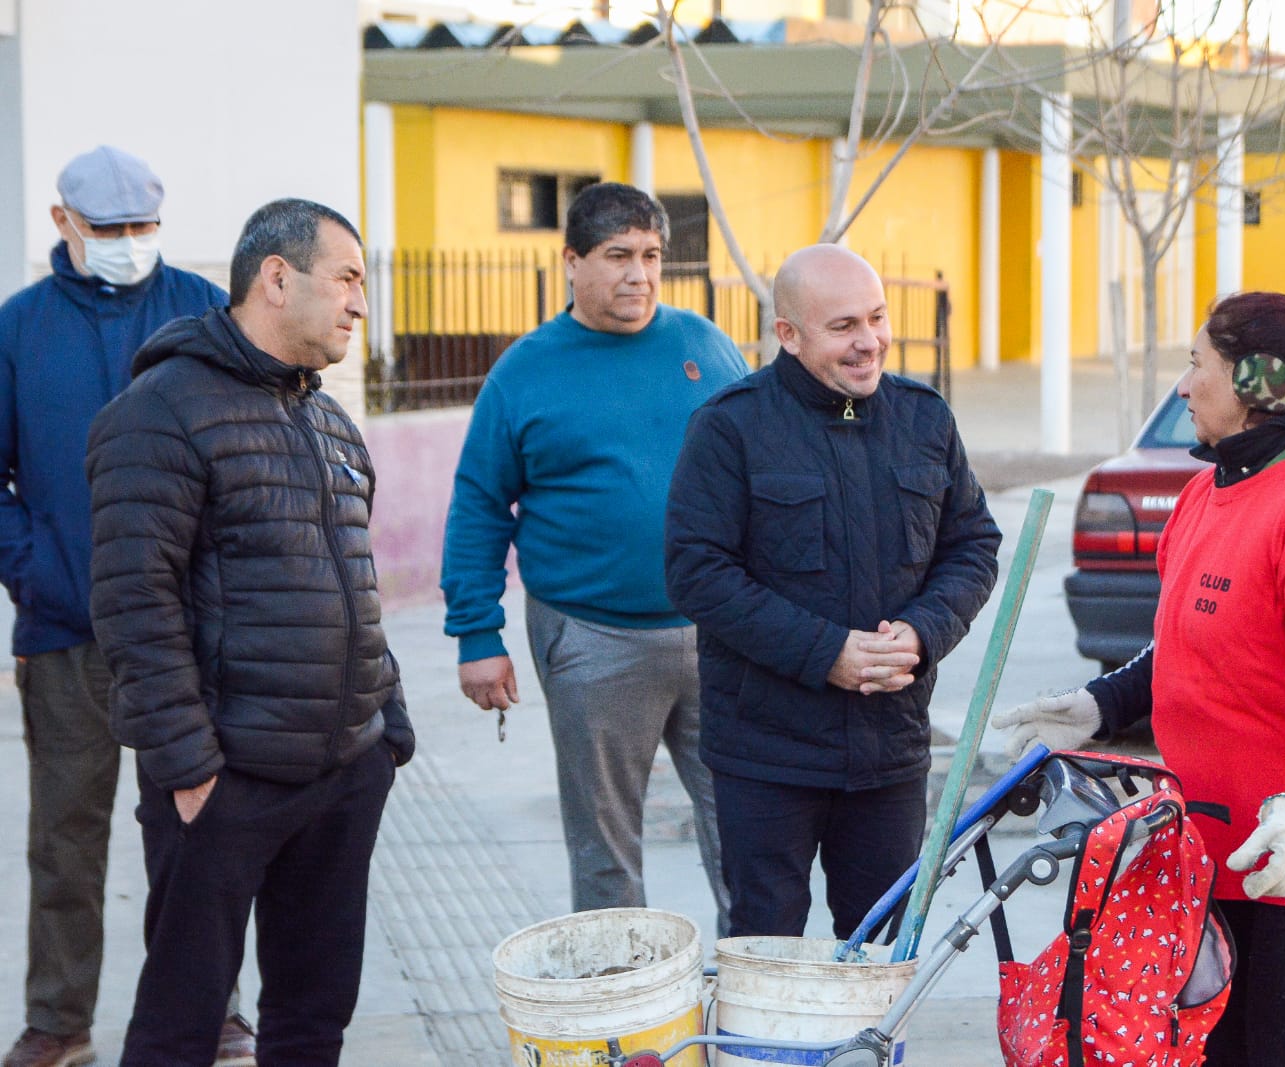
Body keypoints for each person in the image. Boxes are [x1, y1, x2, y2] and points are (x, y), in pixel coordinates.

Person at [994, 292, 1285, 1067]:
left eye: (1197, 364)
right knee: (1209, 1048)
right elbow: (1186, 644)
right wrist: (1096, 704)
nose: (1184, 386)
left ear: (1256, 381)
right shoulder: (1203, 494)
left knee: (1283, 1050)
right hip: (1210, 841)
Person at [84, 198, 414, 1067]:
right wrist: (190, 767)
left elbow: (354, 582)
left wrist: (387, 727)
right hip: (227, 780)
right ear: (277, 277)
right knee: (181, 1026)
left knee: (313, 1016)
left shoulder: (328, 420)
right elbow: (133, 601)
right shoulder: (160, 411)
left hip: (343, 773)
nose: (360, 303)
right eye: (346, 278)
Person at [0, 146, 259, 1067]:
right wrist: (35, 570)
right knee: (64, 839)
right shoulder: (18, 327)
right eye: (109, 229)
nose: (129, 242)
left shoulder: (203, 311)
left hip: (191, 633)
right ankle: (59, 1019)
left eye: (144, 226)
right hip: (67, 630)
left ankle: (212, 1009)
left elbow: (250, 440)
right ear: (63, 222)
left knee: (197, 832)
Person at [663, 243, 1002, 939]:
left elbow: (972, 544)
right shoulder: (730, 427)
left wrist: (924, 631)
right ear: (788, 334)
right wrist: (827, 653)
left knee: (880, 953)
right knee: (767, 952)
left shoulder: (925, 418)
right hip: (766, 755)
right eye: (843, 326)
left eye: (877, 318)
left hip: (890, 752)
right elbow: (698, 571)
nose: (869, 341)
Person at [442, 182, 744, 933]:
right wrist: (477, 635)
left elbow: (766, 471)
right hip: (592, 638)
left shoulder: (706, 346)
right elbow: (480, 504)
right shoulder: (525, 371)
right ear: (572, 261)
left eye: (651, 256)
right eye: (618, 256)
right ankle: (621, 995)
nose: (639, 275)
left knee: (748, 830)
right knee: (605, 850)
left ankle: (753, 986)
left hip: (722, 634)